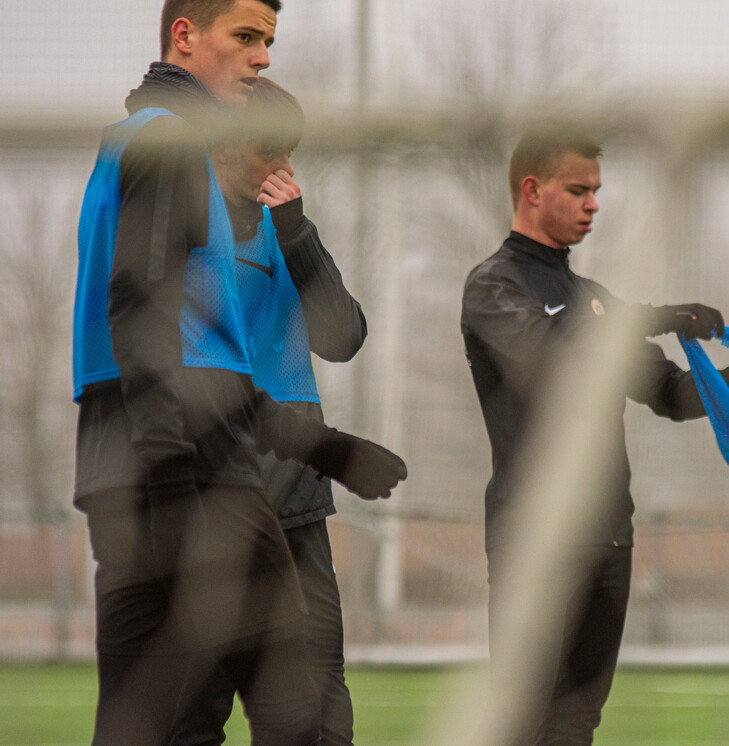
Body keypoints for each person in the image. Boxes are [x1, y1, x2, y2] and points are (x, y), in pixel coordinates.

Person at [72, 2, 405, 743]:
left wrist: (331, 451)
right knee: (260, 708)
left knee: (202, 713)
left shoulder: (233, 207)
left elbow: (335, 337)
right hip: (189, 467)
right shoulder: (166, 152)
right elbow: (146, 323)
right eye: (247, 38)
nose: (280, 169)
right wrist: (168, 481)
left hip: (228, 471)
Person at [460, 125, 729, 744]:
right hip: (534, 538)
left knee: (577, 723)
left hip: (609, 539)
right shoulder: (492, 286)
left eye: (597, 191)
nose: (594, 205)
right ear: (533, 190)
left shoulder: (592, 298)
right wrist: (655, 315)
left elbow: (672, 396)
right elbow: (551, 358)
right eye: (579, 190)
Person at [170, 78, 364, 746]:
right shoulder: (187, 231)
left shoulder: (289, 231)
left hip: (298, 502)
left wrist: (299, 233)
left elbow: (343, 338)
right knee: (195, 710)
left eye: (292, 152)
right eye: (269, 152)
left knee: (319, 707)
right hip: (217, 504)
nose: (284, 169)